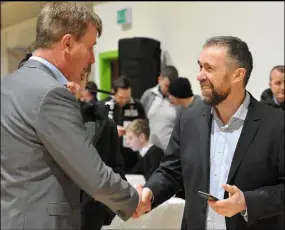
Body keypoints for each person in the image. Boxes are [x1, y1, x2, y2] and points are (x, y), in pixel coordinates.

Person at [1, 2, 139, 230]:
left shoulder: (6, 85)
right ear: (67, 43)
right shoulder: (51, 93)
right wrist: (133, 200)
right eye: (91, 47)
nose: (93, 59)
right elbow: (94, 177)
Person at [134, 36, 284, 230]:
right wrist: (150, 193)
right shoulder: (189, 119)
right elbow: (171, 171)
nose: (199, 76)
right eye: (200, 67)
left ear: (237, 75)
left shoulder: (276, 124)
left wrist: (247, 201)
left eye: (209, 68)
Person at [101, 76, 147, 173]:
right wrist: (112, 130)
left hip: (132, 157)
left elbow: (144, 128)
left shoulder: (137, 106)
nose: (125, 100)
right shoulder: (103, 105)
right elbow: (97, 129)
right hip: (109, 157)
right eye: (121, 97)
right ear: (113, 92)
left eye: (127, 97)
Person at [141, 65, 179, 151]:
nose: (169, 89)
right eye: (166, 86)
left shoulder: (179, 99)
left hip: (171, 152)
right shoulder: (148, 95)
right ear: (159, 79)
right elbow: (141, 121)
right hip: (150, 150)